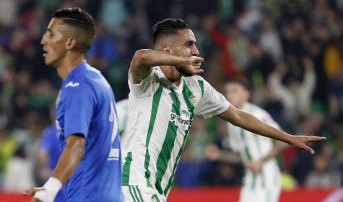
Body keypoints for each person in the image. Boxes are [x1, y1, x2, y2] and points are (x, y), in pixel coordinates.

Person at [121, 18, 325, 202]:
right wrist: (183, 61)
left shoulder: (196, 87)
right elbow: (141, 57)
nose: (196, 51)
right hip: (135, 181)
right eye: (188, 44)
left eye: (195, 44)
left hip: (157, 189)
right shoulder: (148, 79)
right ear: (166, 50)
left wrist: (288, 138)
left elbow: (237, 115)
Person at [23, 7, 122, 202]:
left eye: (51, 34)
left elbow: (77, 145)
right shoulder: (95, 79)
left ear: (70, 42)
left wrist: (49, 191)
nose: (43, 40)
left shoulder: (78, 85)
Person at [223, 78, 287, 202]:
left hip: (266, 178)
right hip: (250, 179)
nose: (229, 94)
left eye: (234, 90)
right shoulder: (231, 121)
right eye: (228, 91)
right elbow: (240, 156)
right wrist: (219, 155)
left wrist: (260, 162)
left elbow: (283, 141)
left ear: (247, 94)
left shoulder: (257, 114)